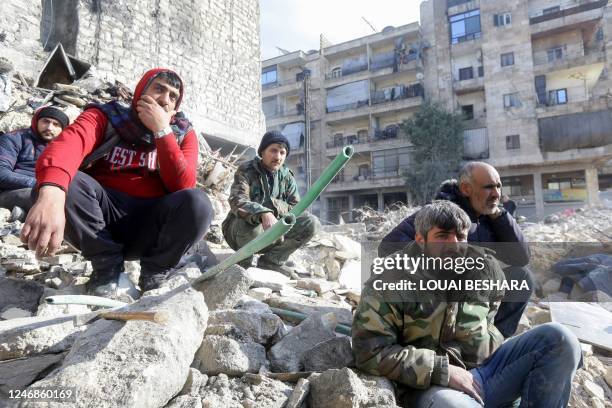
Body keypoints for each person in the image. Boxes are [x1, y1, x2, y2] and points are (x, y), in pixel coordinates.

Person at [353, 200, 582, 408]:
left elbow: (490, 321)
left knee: (560, 338)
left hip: (486, 373)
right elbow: (369, 352)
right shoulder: (390, 281)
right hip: (431, 386)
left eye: (460, 237)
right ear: (421, 240)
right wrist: (441, 370)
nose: (454, 245)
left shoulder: (486, 270)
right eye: (442, 236)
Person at [21, 68, 213, 298]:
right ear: (141, 91)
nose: (164, 100)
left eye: (173, 96)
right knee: (61, 183)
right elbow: (69, 145)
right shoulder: (107, 116)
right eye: (159, 89)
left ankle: (156, 273)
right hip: (100, 222)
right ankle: (107, 268)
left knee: (198, 202)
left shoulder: (182, 133)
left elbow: (182, 185)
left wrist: (162, 131)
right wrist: (51, 193)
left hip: (151, 226)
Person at [378, 161, 533, 338]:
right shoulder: (440, 213)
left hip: (471, 293)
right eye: (488, 187)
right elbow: (388, 247)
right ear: (466, 189)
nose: (496, 194)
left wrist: (501, 217)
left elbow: (521, 257)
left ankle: (494, 339)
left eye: (498, 186)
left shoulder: (491, 218)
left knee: (522, 276)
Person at [222, 130, 319, 277]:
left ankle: (272, 261)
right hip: (238, 232)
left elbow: (296, 209)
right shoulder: (246, 170)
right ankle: (242, 267)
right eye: (273, 151)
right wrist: (263, 213)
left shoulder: (287, 177)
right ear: (262, 152)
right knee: (247, 220)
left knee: (310, 222)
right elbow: (237, 201)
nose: (278, 157)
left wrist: (275, 213)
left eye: (282, 152)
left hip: (273, 233)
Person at [0, 106, 68, 215]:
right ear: (36, 122)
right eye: (45, 121)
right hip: (11, 191)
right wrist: (42, 185)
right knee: (49, 201)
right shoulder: (14, 138)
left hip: (50, 190)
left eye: (56, 124)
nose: (50, 127)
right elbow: (2, 173)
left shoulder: (65, 148)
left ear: (62, 129)